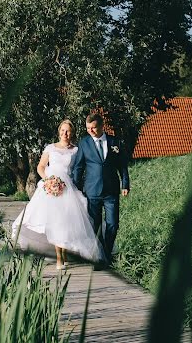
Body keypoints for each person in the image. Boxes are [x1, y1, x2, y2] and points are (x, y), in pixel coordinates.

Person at [11, 120, 104, 269]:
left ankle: (65, 255)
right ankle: (59, 258)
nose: (64, 134)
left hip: (68, 189)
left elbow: (80, 168)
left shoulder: (75, 150)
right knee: (55, 222)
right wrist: (49, 180)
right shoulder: (50, 148)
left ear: (71, 133)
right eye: (62, 130)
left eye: (67, 131)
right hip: (50, 189)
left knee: (66, 223)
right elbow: (41, 167)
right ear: (59, 131)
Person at [70, 113, 130, 266]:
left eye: (94, 127)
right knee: (95, 225)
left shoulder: (114, 142)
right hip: (92, 191)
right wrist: (76, 188)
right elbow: (78, 167)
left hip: (111, 190)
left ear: (102, 126)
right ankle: (101, 257)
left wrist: (125, 184)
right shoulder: (84, 143)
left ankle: (107, 252)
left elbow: (122, 165)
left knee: (113, 224)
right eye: (88, 128)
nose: (91, 130)